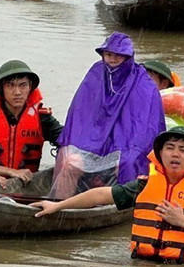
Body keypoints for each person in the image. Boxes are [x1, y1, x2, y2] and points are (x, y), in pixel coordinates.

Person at [32, 126, 184, 263]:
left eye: (183, 150)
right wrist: (57, 206)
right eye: (169, 148)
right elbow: (101, 195)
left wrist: (183, 221)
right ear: (160, 154)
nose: (175, 154)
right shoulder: (144, 185)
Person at [54, 32, 165, 189]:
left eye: (119, 55)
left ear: (128, 57)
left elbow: (145, 127)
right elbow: (80, 115)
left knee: (129, 162)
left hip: (125, 144)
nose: (113, 59)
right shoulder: (96, 74)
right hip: (91, 141)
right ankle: (59, 206)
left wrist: (126, 148)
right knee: (68, 160)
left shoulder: (144, 84)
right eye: (109, 54)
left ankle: (119, 203)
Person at [0, 60, 63, 183]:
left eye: (23, 85)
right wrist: (9, 171)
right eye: (10, 85)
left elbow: (69, 140)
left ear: (30, 87)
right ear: (1, 89)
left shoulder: (42, 117)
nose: (17, 92)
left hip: (25, 186)